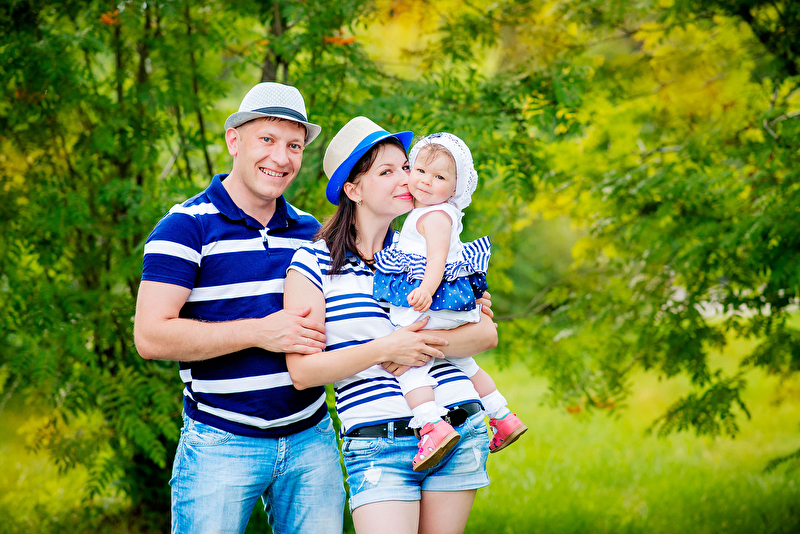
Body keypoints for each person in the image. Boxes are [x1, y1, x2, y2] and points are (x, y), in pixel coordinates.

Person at [133, 82, 347, 534]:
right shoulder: (185, 227)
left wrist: (455, 291)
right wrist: (259, 332)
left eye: (294, 145)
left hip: (311, 440)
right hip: (221, 442)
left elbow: (359, 304)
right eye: (267, 139)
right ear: (234, 140)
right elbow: (150, 336)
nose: (281, 157)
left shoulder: (311, 232)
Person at [284, 116, 498, 534]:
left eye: (405, 166)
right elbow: (303, 372)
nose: (406, 178)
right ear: (354, 190)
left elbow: (485, 334)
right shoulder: (313, 264)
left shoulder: (426, 247)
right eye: (387, 172)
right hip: (376, 440)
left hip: (457, 425)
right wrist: (386, 349)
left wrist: (417, 342)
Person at [371, 133, 527, 471]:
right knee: (465, 364)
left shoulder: (434, 216)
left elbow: (437, 259)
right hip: (449, 306)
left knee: (411, 364)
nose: (426, 181)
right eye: (420, 171)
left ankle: (432, 425)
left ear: (455, 187)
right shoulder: (434, 212)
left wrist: (427, 289)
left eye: (439, 177)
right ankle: (502, 416)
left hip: (434, 301)